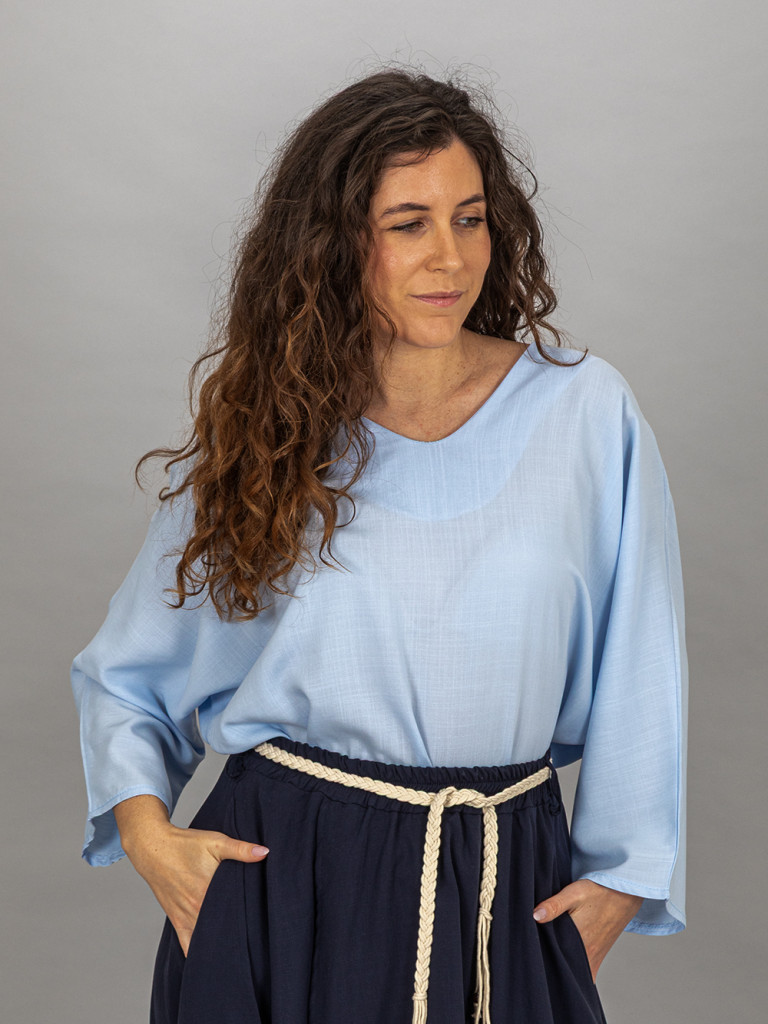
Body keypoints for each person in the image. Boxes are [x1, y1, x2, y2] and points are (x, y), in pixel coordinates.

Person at [71, 67, 688, 1024]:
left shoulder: (584, 413)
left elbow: (644, 659)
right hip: (290, 884)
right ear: (331, 244)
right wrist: (154, 843)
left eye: (470, 219)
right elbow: (126, 677)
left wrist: (623, 874)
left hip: (502, 878)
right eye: (408, 224)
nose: (450, 257)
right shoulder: (273, 427)